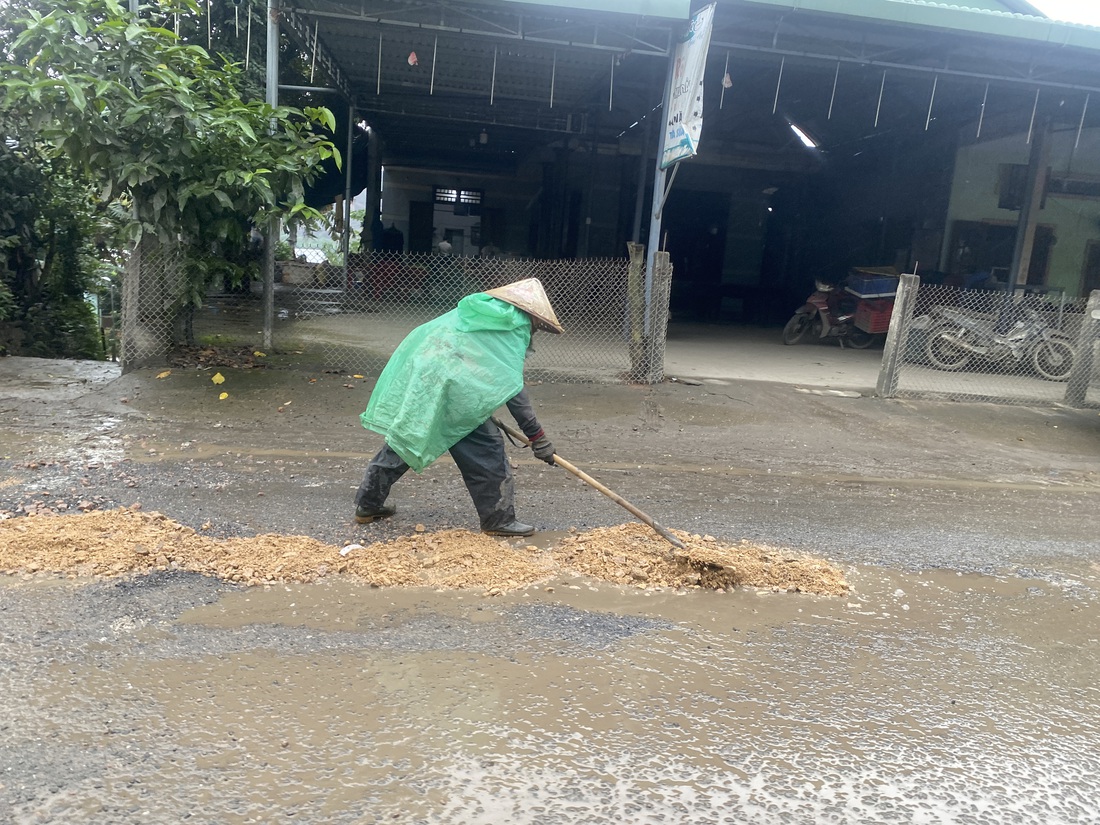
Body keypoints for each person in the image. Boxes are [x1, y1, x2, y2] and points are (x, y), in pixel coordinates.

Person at [354, 278, 564, 537]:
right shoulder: (512, 326)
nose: (534, 332)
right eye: (537, 326)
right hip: (452, 387)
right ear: (530, 316)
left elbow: (479, 367)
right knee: (487, 449)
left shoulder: (478, 313)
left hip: (425, 376)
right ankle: (498, 520)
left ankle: (368, 504)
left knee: (408, 437)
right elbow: (513, 388)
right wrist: (537, 437)